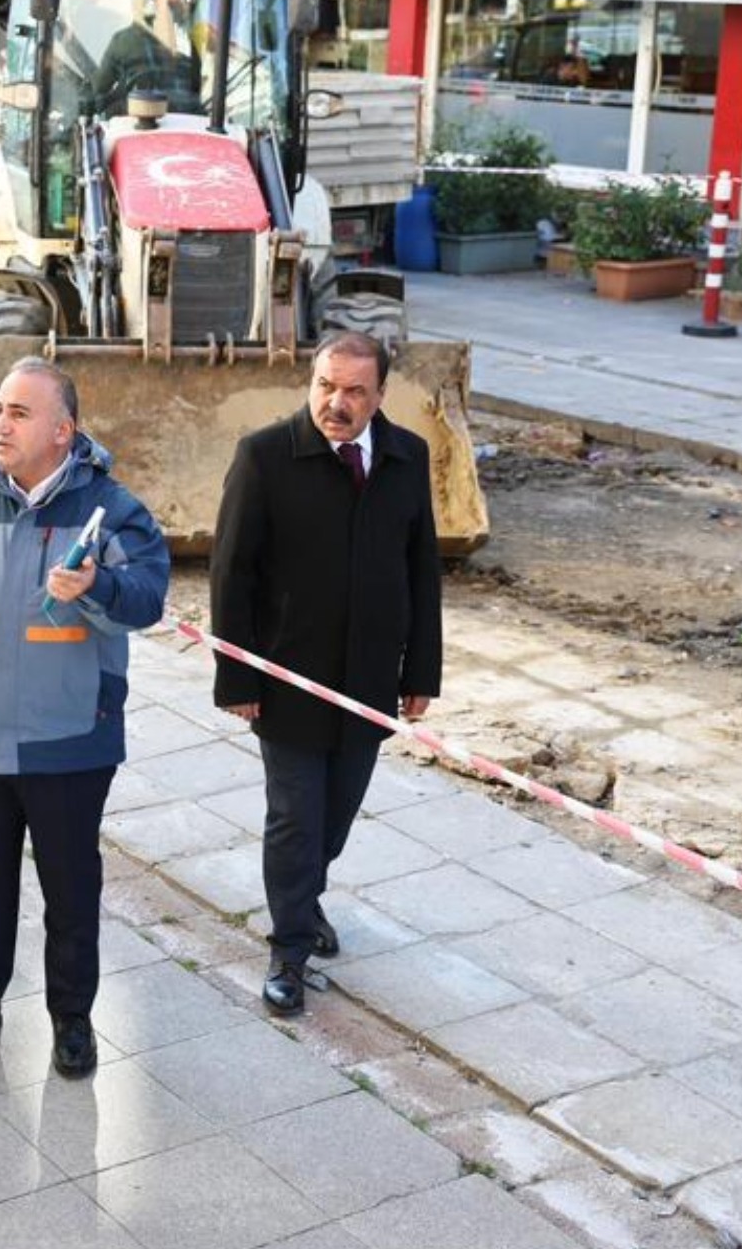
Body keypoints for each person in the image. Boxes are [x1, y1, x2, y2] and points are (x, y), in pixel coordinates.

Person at [0, 359, 169, 1078]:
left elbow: (149, 598)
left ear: (64, 431)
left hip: (72, 741)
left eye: (21, 412)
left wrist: (99, 586)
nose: (1, 422)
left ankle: (72, 1020)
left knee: (70, 888)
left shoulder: (112, 511)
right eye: (0, 408)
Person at [209, 330, 442, 1017]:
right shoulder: (265, 457)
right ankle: (288, 949)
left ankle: (303, 901)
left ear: (379, 397)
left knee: (335, 818)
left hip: (368, 680)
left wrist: (420, 669)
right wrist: (238, 677)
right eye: (325, 386)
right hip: (287, 680)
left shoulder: (406, 458)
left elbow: (420, 569)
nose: (335, 403)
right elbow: (231, 571)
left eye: (352, 392)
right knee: (295, 820)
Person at [91, 0, 200, 117]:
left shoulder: (124, 40)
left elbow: (99, 90)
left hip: (147, 124)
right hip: (187, 125)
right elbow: (99, 91)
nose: (184, 0)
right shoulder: (194, 41)